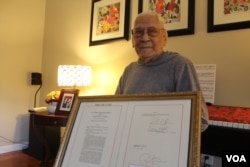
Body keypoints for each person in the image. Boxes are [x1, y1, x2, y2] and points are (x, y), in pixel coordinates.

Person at [115, 12, 209, 132]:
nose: (144, 38)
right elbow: (116, 112)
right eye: (138, 32)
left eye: (152, 31)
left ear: (164, 37)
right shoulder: (129, 70)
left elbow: (200, 121)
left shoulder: (180, 65)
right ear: (133, 39)